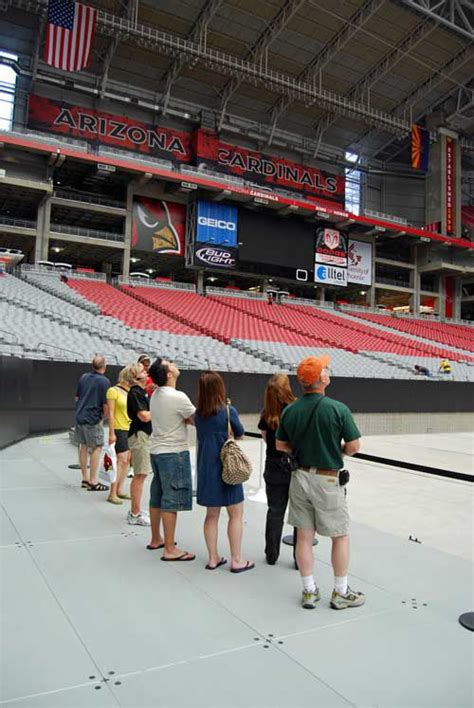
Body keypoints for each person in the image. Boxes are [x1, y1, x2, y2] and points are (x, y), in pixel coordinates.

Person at [276, 355, 365, 611]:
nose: (328, 372)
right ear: (321, 379)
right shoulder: (337, 409)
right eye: (325, 369)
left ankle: (309, 590)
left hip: (300, 477)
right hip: (328, 479)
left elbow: (280, 444)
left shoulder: (291, 410)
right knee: (340, 536)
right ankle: (340, 592)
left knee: (304, 536)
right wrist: (338, 452)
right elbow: (354, 446)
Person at [195, 371, 254, 573]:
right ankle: (236, 559)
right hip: (227, 467)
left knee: (211, 515)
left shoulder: (198, 415)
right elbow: (240, 434)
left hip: (206, 469)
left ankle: (213, 558)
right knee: (235, 515)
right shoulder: (228, 411)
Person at [147, 358, 196, 561]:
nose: (175, 365)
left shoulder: (156, 394)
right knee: (171, 501)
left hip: (156, 451)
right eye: (171, 364)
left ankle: (155, 538)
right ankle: (170, 548)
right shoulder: (178, 397)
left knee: (157, 495)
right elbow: (195, 419)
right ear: (169, 374)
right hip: (173, 453)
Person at [258, 374, 296, 566]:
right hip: (295, 465)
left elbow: (265, 437)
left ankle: (271, 554)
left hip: (273, 463)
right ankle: (300, 558)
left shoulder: (267, 413)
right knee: (300, 513)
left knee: (275, 511)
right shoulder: (296, 408)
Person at [75, 355, 110, 492]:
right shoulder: (104, 381)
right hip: (93, 418)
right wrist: (104, 417)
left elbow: (77, 397)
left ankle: (84, 479)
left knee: (83, 446)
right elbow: (106, 405)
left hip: (80, 416)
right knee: (97, 447)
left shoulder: (83, 377)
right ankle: (93, 481)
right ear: (104, 366)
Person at [126, 362, 152, 526]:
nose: (146, 371)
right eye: (142, 370)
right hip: (139, 435)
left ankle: (136, 510)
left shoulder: (142, 392)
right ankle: (134, 514)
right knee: (140, 475)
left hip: (143, 435)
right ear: (136, 377)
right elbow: (144, 416)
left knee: (141, 474)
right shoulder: (136, 392)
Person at [105, 366, 134, 505]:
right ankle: (112, 492)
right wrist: (111, 433)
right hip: (119, 428)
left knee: (127, 460)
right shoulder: (113, 391)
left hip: (129, 427)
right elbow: (110, 413)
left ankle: (120, 489)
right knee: (120, 460)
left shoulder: (131, 392)